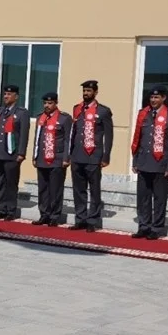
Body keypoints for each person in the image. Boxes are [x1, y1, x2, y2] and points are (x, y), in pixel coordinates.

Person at [131, 85, 168, 239]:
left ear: (163, 98)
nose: (153, 100)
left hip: (161, 164)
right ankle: (144, 226)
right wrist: (135, 161)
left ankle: (157, 228)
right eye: (152, 97)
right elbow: (138, 139)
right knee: (143, 198)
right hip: (144, 162)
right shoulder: (144, 114)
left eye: (157, 97)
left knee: (159, 199)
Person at [69, 80, 113, 232]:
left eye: (88, 91)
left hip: (94, 157)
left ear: (95, 92)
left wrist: (106, 156)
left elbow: (109, 136)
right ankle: (80, 218)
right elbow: (73, 132)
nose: (86, 93)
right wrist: (69, 154)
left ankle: (92, 220)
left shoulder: (103, 111)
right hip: (77, 155)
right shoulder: (77, 108)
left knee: (94, 190)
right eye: (84, 91)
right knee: (78, 190)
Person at [31, 92, 73, 226]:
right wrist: (34, 156)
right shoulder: (40, 117)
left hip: (57, 159)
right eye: (45, 103)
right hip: (42, 158)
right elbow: (37, 139)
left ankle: (54, 216)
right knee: (43, 189)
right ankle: (44, 214)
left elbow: (68, 140)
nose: (47, 106)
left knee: (55, 189)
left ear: (56, 103)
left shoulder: (64, 118)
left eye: (50, 103)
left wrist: (66, 158)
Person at [0, 85, 29, 220]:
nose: (6, 96)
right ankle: (2, 208)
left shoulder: (21, 113)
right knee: (1, 183)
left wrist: (21, 153)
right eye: (5, 94)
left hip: (12, 154)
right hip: (0, 153)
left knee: (11, 183)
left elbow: (23, 135)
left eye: (9, 94)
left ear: (16, 97)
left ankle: (11, 210)